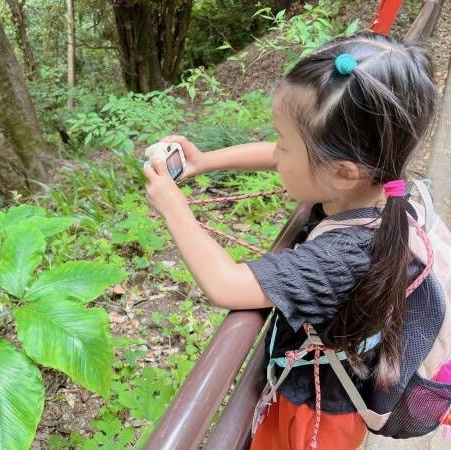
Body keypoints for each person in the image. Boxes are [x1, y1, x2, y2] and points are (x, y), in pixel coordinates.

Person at [143, 31, 440, 450]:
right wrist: (205, 161)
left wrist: (174, 207)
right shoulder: (378, 181)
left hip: (314, 418)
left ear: (342, 172)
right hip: (317, 393)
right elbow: (293, 153)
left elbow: (225, 285)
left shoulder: (343, 256)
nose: (276, 153)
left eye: (284, 144)